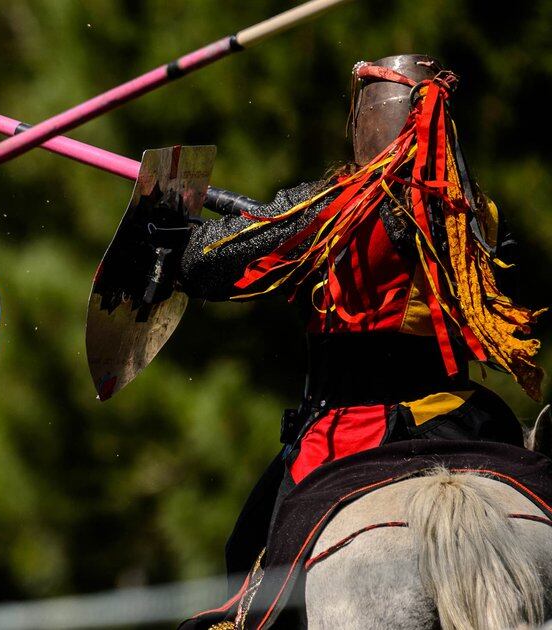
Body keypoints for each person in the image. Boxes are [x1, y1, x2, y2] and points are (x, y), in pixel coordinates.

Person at [177, 55, 543, 582]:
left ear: (364, 120)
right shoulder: (480, 214)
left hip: (357, 430)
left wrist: (186, 231)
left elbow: (202, 265)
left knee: (248, 556)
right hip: (463, 419)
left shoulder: (334, 207)